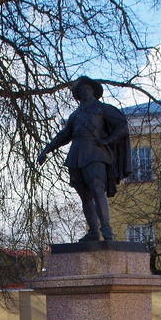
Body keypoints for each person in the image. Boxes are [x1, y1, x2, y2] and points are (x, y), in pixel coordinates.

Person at [38, 76, 132, 241]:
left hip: (95, 154)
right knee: (85, 196)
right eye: (80, 90)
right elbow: (63, 136)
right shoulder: (75, 115)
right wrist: (46, 150)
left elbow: (122, 126)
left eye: (87, 89)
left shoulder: (103, 109)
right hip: (76, 155)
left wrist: (107, 141)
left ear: (93, 91)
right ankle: (94, 232)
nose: (84, 92)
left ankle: (107, 230)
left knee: (97, 188)